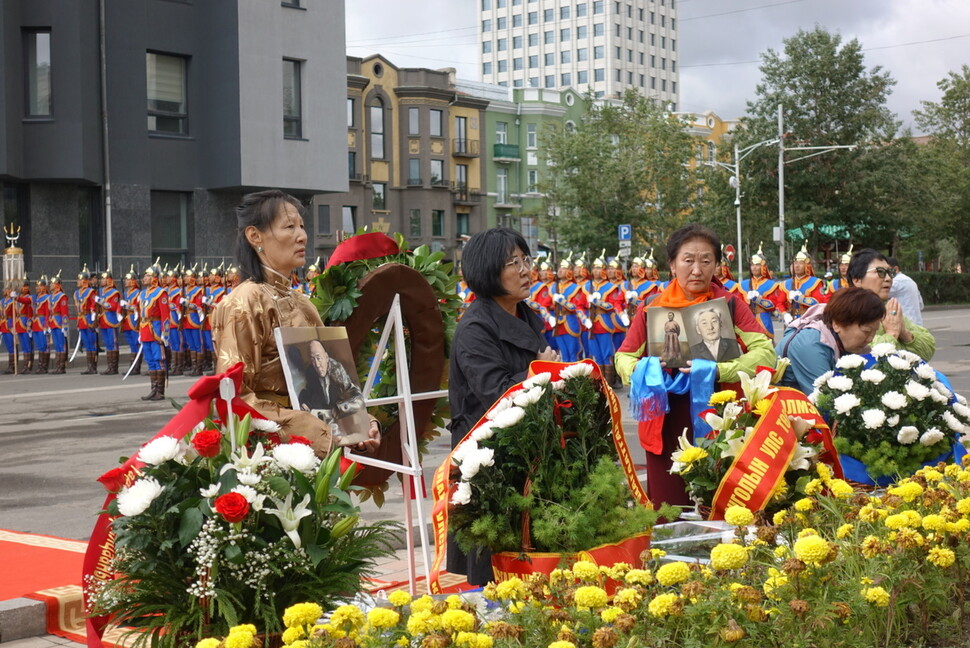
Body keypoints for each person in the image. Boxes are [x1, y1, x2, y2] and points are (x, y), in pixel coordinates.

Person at [615, 224, 775, 509]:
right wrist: (646, 372)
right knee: (668, 509)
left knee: (720, 509)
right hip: (664, 421)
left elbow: (765, 353)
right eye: (688, 260)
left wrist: (718, 370)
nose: (697, 270)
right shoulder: (652, 306)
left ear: (717, 265)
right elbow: (623, 357)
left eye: (706, 261)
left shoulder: (729, 305)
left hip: (718, 419)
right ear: (672, 265)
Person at [211, 189, 381, 455]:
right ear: (255, 236)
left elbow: (333, 379)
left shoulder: (303, 303)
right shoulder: (244, 302)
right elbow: (234, 396)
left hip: (320, 447)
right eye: (289, 227)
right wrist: (313, 428)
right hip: (271, 452)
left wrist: (362, 423)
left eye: (302, 226)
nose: (302, 235)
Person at [447, 227, 559, 586]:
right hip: (488, 456)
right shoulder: (476, 327)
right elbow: (494, 393)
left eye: (527, 260)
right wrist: (537, 371)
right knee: (494, 566)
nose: (526, 270)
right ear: (487, 270)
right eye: (514, 262)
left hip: (527, 449)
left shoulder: (525, 315)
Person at [776, 287, 885, 395]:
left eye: (874, 332)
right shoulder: (810, 345)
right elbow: (825, 400)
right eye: (866, 331)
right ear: (837, 324)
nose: (870, 339)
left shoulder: (839, 338)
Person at [846, 248, 935, 361]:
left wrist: (904, 333)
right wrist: (892, 334)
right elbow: (862, 354)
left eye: (890, 273)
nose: (888, 278)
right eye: (881, 272)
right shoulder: (848, 311)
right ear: (857, 280)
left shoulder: (889, 309)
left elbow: (928, 350)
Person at [298, 339, 367, 441]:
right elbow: (309, 392)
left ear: (326, 357)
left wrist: (340, 409)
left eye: (319, 358)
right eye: (313, 359)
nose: (317, 364)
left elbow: (358, 399)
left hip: (344, 425)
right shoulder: (311, 371)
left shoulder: (338, 372)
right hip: (323, 428)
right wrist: (303, 401)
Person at [138, 263, 170, 401]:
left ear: (154, 278)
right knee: (150, 360)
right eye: (145, 275)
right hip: (145, 328)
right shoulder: (143, 293)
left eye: (147, 275)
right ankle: (153, 389)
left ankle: (160, 391)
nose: (144, 278)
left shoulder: (161, 293)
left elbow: (165, 315)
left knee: (159, 360)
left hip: (156, 328)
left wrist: (165, 334)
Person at [739, 244, 786, 340]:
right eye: (752, 265)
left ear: (763, 267)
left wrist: (758, 300)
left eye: (757, 265)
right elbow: (739, 304)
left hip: (764, 318)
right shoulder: (743, 284)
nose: (754, 267)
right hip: (748, 319)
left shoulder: (770, 284)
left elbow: (773, 305)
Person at [782, 244, 827, 320]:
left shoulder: (816, 282)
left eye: (801, 263)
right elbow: (779, 303)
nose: (797, 266)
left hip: (809, 320)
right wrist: (784, 314)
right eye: (795, 263)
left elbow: (819, 302)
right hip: (790, 320)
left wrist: (800, 299)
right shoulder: (785, 283)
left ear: (807, 265)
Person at [96, 269, 123, 375]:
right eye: (101, 278)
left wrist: (101, 302)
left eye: (104, 278)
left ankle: (114, 367)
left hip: (111, 319)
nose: (102, 280)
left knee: (113, 343)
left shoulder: (114, 292)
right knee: (107, 344)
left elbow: (113, 306)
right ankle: (109, 366)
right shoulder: (100, 292)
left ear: (109, 280)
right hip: (103, 319)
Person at [886, 256, 924, 326]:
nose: (884, 274)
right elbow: (921, 305)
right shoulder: (911, 281)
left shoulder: (896, 282)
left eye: (886, 271)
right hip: (918, 324)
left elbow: (878, 292)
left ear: (895, 269)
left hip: (905, 326)